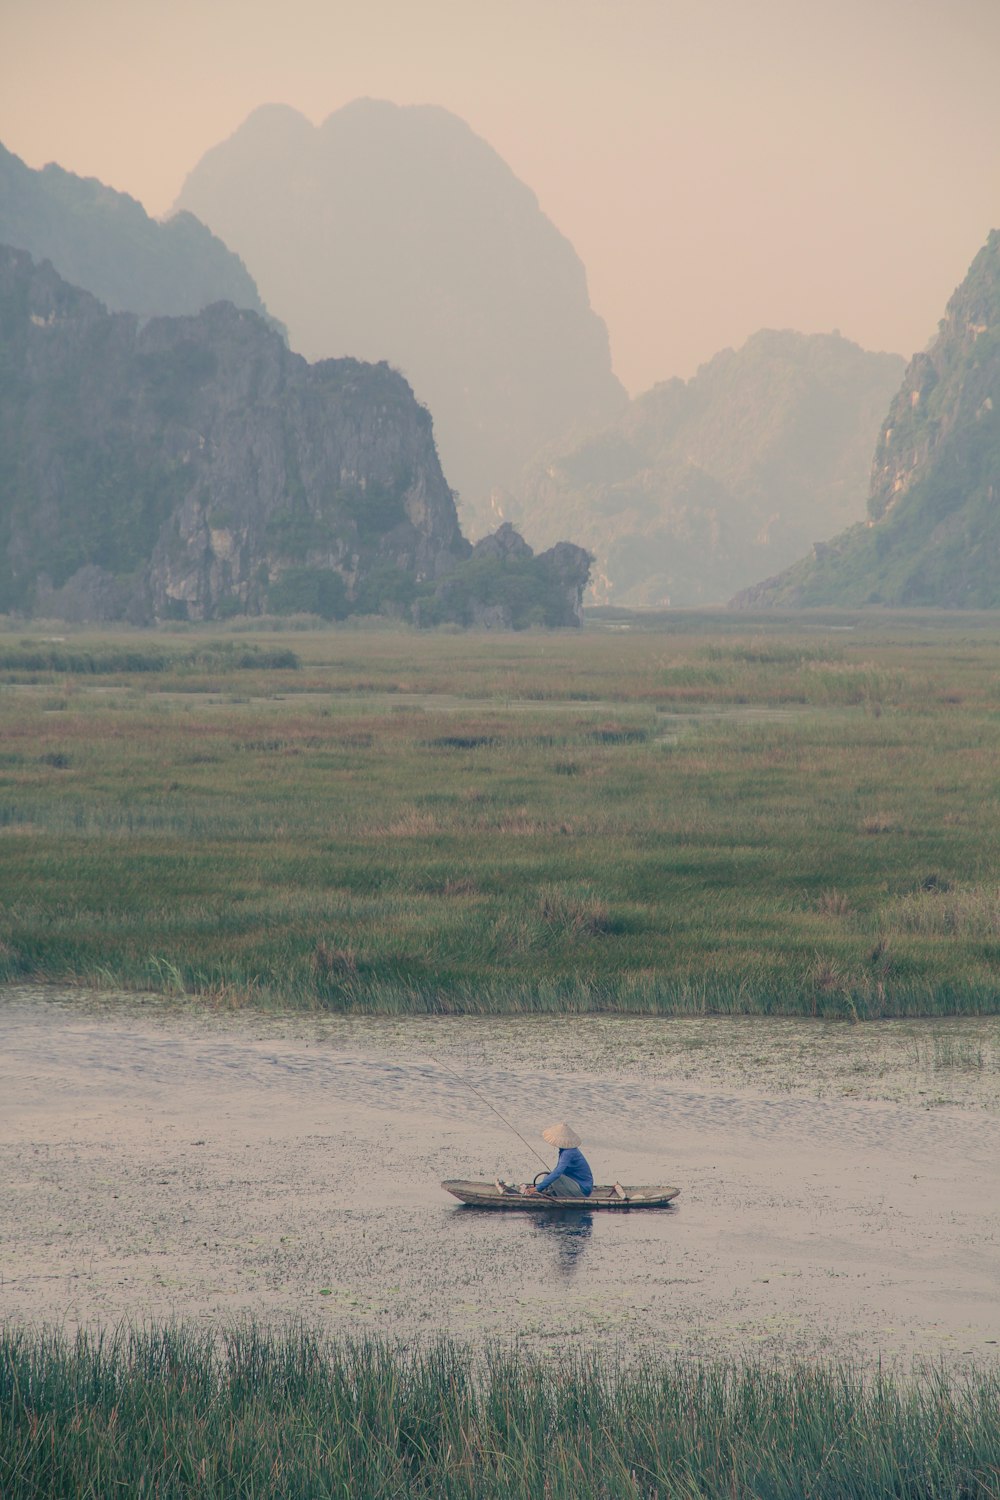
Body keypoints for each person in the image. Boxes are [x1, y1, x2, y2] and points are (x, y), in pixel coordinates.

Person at [520, 1122, 593, 1198]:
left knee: (555, 1178)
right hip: (576, 1184)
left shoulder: (568, 1153)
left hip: (582, 1190)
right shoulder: (565, 1151)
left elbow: (558, 1173)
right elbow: (558, 1171)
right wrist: (540, 1186)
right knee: (548, 1176)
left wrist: (538, 1188)